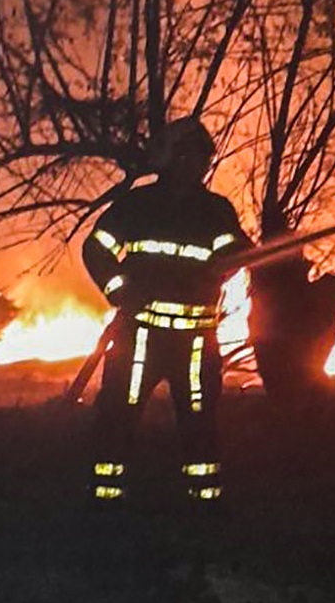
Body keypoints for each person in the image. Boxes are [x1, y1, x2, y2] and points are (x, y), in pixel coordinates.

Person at [80, 117, 252, 505]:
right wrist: (120, 290)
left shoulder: (215, 211)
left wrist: (228, 261)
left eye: (202, 159)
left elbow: (233, 251)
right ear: (170, 159)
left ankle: (205, 501)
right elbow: (97, 248)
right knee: (117, 416)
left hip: (194, 344)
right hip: (139, 335)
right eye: (188, 156)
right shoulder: (137, 205)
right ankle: (105, 499)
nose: (195, 166)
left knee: (199, 422)